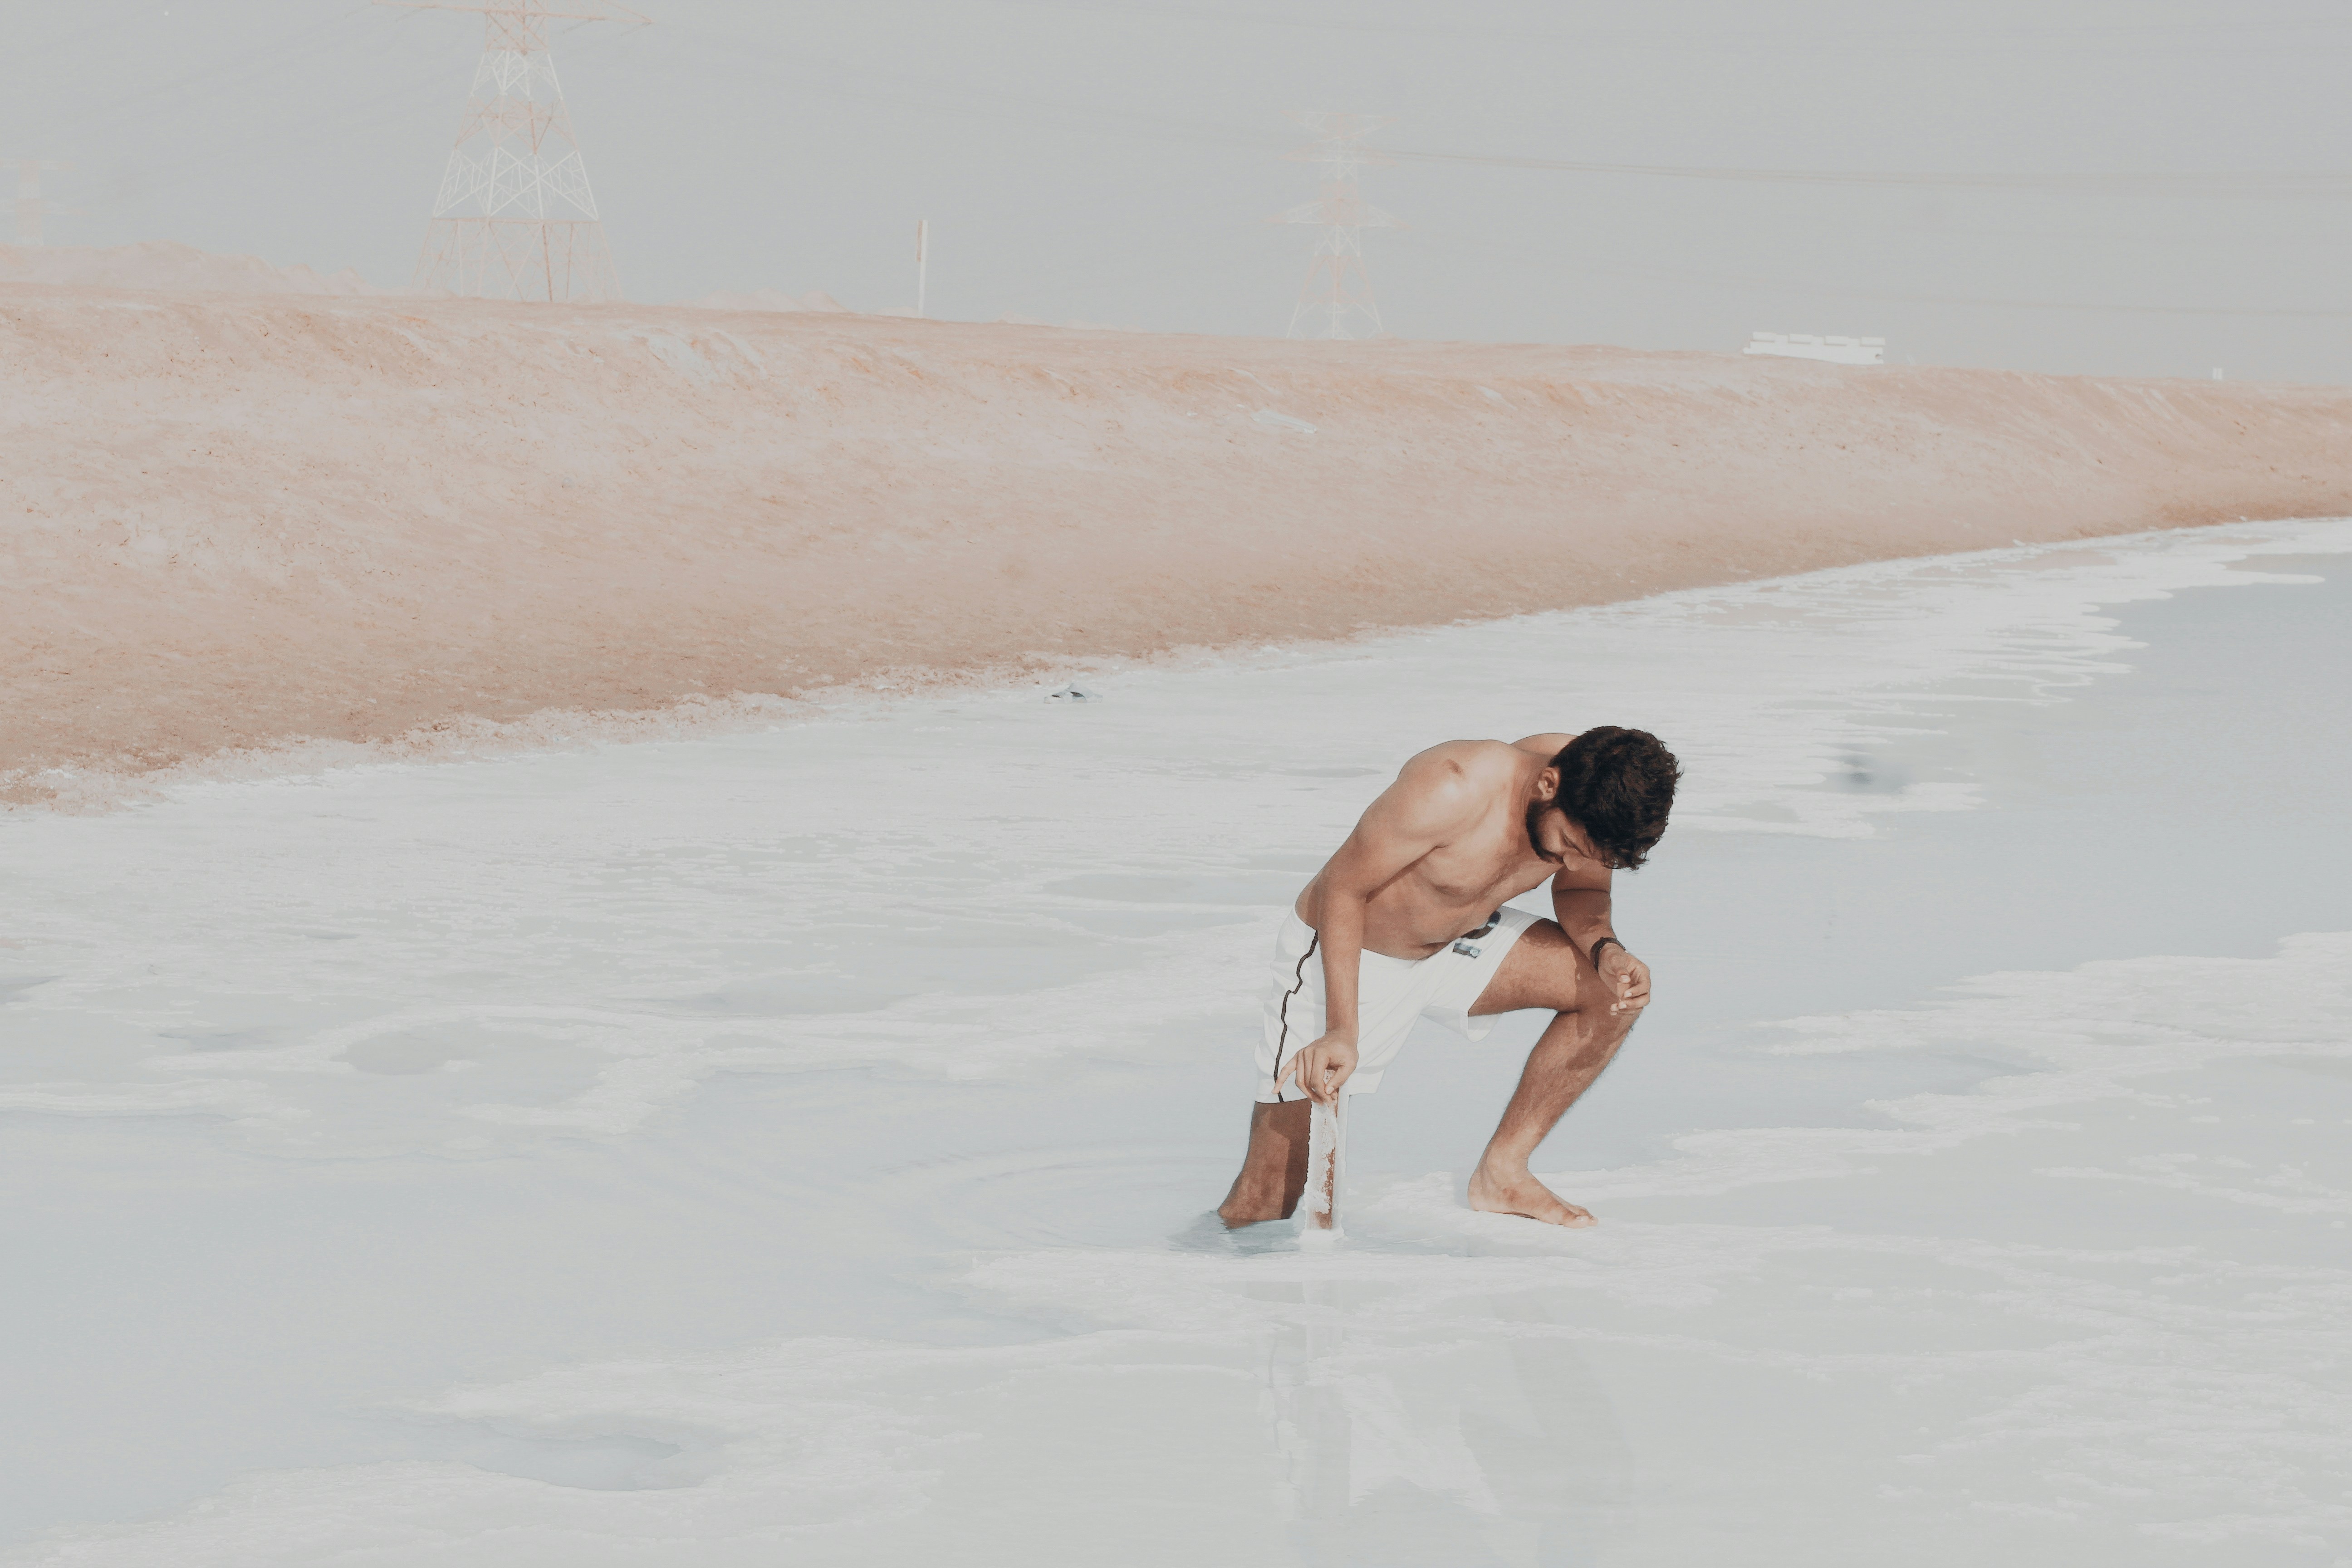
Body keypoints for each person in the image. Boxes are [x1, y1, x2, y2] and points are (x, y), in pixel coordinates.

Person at [1215, 727, 1681, 1230]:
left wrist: (1604, 949)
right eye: (1567, 845)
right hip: (1354, 952)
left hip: (1463, 941)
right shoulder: (1452, 787)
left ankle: (1502, 1173)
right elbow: (1343, 889)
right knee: (1271, 1201)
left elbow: (1582, 893)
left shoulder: (1598, 795)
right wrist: (1341, 1031)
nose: (1569, 865)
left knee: (1614, 995)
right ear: (1548, 784)